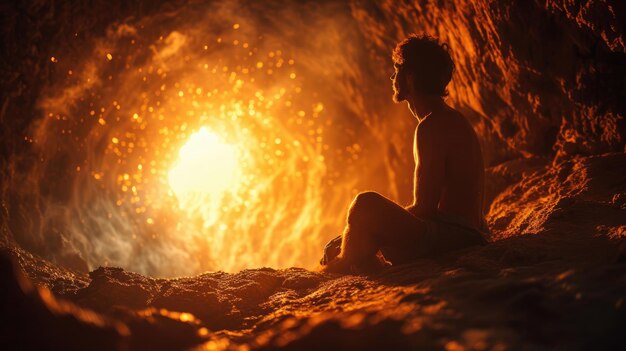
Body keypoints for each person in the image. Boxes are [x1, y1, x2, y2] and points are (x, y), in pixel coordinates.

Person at [320, 35, 489, 274]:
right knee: (351, 236)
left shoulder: (433, 125)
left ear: (410, 77)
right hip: (462, 233)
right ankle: (354, 258)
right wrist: (358, 231)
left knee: (364, 203)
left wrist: (363, 226)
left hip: (455, 237)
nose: (392, 76)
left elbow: (425, 209)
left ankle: (343, 264)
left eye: (397, 69)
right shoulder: (449, 119)